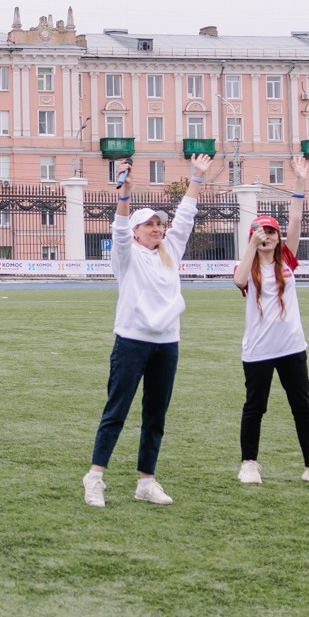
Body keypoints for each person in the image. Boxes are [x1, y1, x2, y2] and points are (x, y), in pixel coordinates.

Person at [88, 153, 213, 508]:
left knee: (155, 416)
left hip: (167, 344)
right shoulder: (125, 256)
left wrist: (197, 179)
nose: (158, 229)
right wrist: (124, 196)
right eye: (150, 225)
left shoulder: (169, 251)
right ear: (136, 231)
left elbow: (186, 217)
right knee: (117, 412)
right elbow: (118, 230)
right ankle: (95, 477)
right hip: (131, 343)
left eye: (160, 224)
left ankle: (147, 481)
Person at [233, 176, 309, 487]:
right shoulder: (248, 267)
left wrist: (301, 183)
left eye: (271, 232)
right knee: (255, 407)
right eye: (261, 233)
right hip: (259, 351)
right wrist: (251, 245)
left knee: (302, 407)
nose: (267, 237)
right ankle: (249, 464)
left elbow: (296, 218)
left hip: (291, 347)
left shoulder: (287, 259)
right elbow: (238, 281)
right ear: (252, 237)